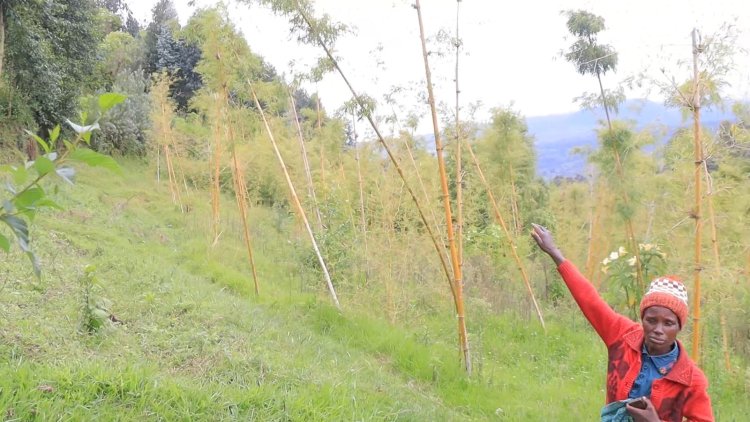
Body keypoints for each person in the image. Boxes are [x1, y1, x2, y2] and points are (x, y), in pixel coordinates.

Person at [530, 223, 714, 422]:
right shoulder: (623, 337)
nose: (658, 330)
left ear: (679, 326)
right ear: (642, 319)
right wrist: (555, 253)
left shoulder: (689, 379)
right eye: (651, 320)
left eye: (668, 323)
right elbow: (591, 301)